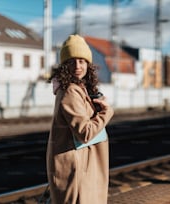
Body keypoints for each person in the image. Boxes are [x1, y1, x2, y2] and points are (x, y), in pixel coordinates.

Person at [46, 34, 114, 204]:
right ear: (64, 65)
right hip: (77, 168)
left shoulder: (78, 88)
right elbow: (85, 132)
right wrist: (107, 113)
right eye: (72, 61)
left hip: (81, 165)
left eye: (82, 61)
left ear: (88, 64)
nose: (77, 66)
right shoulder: (70, 91)